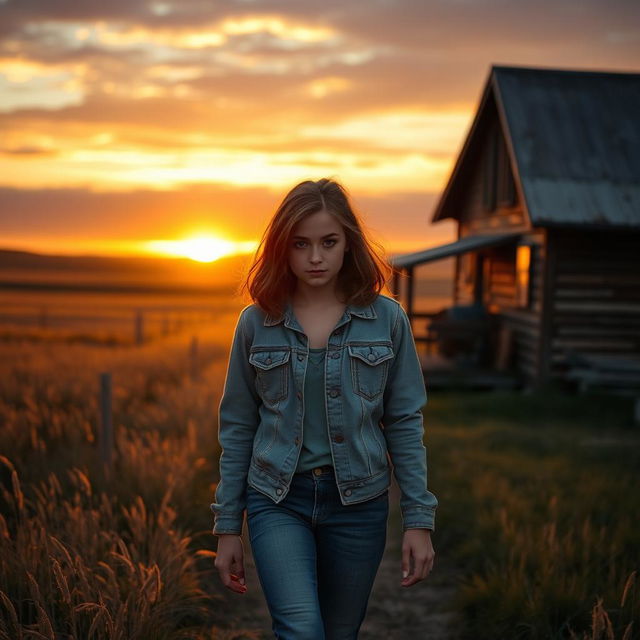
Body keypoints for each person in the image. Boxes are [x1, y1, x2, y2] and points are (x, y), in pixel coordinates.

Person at [211, 178, 438, 639]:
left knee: (338, 633)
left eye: (328, 243)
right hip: (277, 498)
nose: (315, 257)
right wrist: (227, 526)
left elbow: (404, 421)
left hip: (359, 502)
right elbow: (238, 425)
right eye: (301, 244)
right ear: (283, 248)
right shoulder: (256, 322)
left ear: (348, 244)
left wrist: (418, 520)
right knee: (300, 629)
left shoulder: (387, 319)